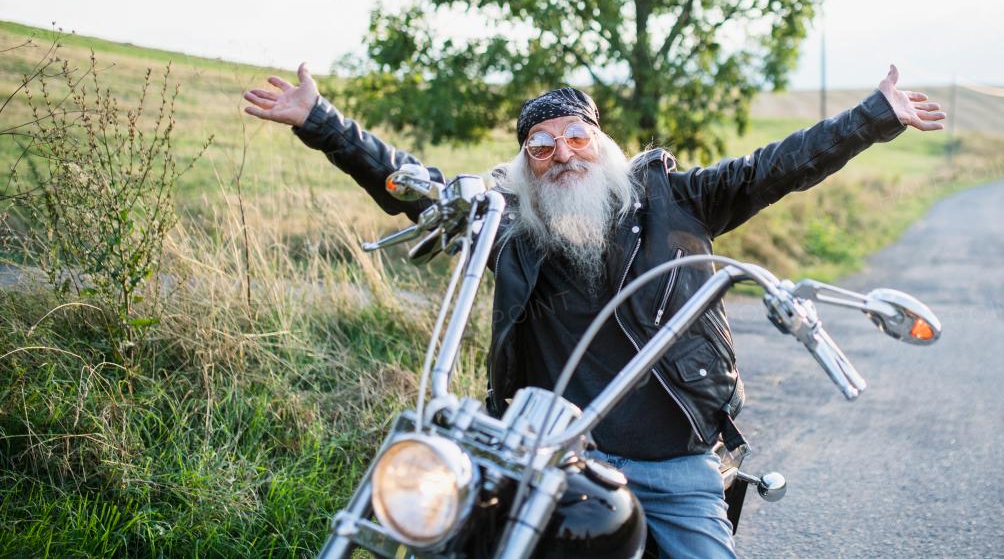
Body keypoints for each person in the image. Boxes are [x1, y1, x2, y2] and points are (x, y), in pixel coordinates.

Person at [243, 64, 944, 558]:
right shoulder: (513, 229)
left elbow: (778, 164)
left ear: (600, 143)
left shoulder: (681, 200)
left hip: (676, 466)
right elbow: (419, 189)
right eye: (541, 146)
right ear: (526, 162)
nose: (562, 154)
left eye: (576, 137)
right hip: (554, 459)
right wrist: (322, 122)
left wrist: (873, 116)